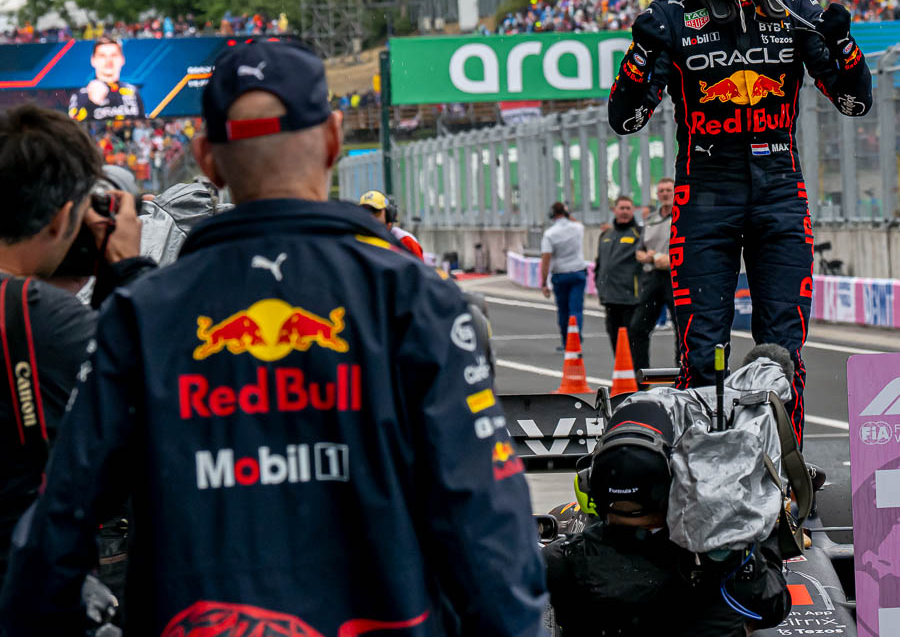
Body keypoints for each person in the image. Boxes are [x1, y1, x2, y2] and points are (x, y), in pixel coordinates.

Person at [0, 42, 547, 636]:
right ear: (335, 139)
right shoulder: (420, 301)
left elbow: (55, 532)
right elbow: (490, 528)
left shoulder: (141, 314)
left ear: (207, 159)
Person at [608, 0, 872, 442]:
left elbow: (854, 102)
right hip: (705, 193)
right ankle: (703, 472)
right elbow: (625, 119)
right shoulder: (669, 17)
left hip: (781, 190)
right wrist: (638, 54)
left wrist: (845, 44)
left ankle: (784, 478)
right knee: (704, 352)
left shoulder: (797, 7)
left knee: (781, 350)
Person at [0, 105, 151, 586]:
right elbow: (159, 396)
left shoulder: (41, 319)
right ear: (62, 215)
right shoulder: (37, 317)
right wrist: (128, 270)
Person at [543, 402, 790, 637]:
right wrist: (765, 535)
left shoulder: (560, 564)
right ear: (672, 487)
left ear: (593, 486)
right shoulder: (719, 563)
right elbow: (774, 605)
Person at [596, 196, 648, 368]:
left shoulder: (640, 233)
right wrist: (599, 286)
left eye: (628, 208)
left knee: (634, 341)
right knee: (614, 339)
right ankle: (622, 378)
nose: (624, 211)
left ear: (633, 211)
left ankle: (639, 381)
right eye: (621, 208)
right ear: (615, 210)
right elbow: (599, 264)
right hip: (610, 298)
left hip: (631, 299)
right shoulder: (606, 235)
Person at [633, 177, 676, 359]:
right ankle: (642, 380)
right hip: (653, 278)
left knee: (684, 330)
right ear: (657, 195)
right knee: (637, 328)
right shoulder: (651, 219)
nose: (665, 194)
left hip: (676, 277)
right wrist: (647, 257)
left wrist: (670, 260)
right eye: (662, 191)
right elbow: (639, 251)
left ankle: (683, 375)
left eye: (669, 190)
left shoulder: (683, 217)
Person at [540, 201, 587, 351]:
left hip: (560, 274)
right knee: (576, 310)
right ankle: (576, 338)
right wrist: (568, 214)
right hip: (578, 271)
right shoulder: (578, 228)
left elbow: (546, 259)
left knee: (563, 311)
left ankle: (567, 342)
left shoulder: (550, 234)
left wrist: (543, 282)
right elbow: (576, 222)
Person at [68, 36, 142, 122]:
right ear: (93, 60)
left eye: (114, 55)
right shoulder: (81, 95)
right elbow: (73, 124)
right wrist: (91, 103)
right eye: (102, 55)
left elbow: (141, 121)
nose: (108, 60)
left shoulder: (132, 91)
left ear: (122, 59)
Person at [358, 189, 424, 259]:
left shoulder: (405, 241)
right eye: (365, 212)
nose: (370, 216)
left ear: (389, 215)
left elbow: (420, 269)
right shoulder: (356, 241)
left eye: (375, 211)